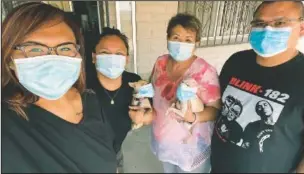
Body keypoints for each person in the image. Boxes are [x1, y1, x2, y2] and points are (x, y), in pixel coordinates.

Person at [1, 2, 116, 173]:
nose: (53, 60)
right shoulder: (7, 123)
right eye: (35, 49)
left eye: (65, 48)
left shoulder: (90, 100)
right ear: (9, 57)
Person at [211, 1, 304, 173]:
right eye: (260, 23)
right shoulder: (236, 61)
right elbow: (219, 106)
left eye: (279, 23)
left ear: (301, 28)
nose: (268, 30)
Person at [129, 13, 221, 173]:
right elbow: (153, 93)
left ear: (196, 43)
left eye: (188, 40)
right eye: (176, 38)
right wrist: (143, 99)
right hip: (163, 141)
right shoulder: (161, 62)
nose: (181, 44)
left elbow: (215, 109)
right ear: (168, 39)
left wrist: (193, 117)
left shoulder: (205, 72)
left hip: (191, 148)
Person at [87, 27, 142, 173]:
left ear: (126, 59)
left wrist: (144, 117)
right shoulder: (82, 86)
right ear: (94, 57)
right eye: (105, 53)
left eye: (119, 53)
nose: (112, 58)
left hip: (118, 148)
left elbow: (148, 111)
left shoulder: (134, 82)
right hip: (89, 153)